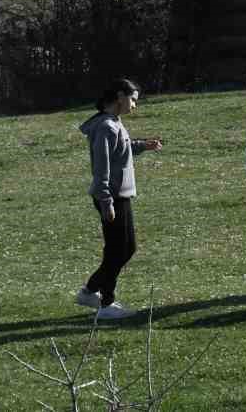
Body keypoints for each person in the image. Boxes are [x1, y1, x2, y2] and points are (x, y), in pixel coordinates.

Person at [76, 78, 163, 322]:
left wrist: (142, 145)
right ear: (119, 97)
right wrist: (106, 202)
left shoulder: (114, 123)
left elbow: (120, 149)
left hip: (118, 195)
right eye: (132, 99)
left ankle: (91, 291)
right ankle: (106, 302)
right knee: (120, 250)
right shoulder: (105, 126)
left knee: (121, 248)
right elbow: (101, 168)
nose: (134, 104)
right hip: (112, 196)